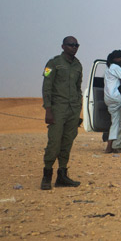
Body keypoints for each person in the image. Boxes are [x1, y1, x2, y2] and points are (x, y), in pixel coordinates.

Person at [40, 36, 83, 190]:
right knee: (54, 142)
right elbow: (47, 86)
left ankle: (62, 175)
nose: (74, 47)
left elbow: (78, 88)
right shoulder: (53, 63)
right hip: (58, 108)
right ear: (63, 46)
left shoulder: (78, 65)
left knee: (67, 142)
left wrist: (78, 108)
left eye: (76, 45)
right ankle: (47, 176)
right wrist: (48, 109)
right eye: (71, 45)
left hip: (73, 109)